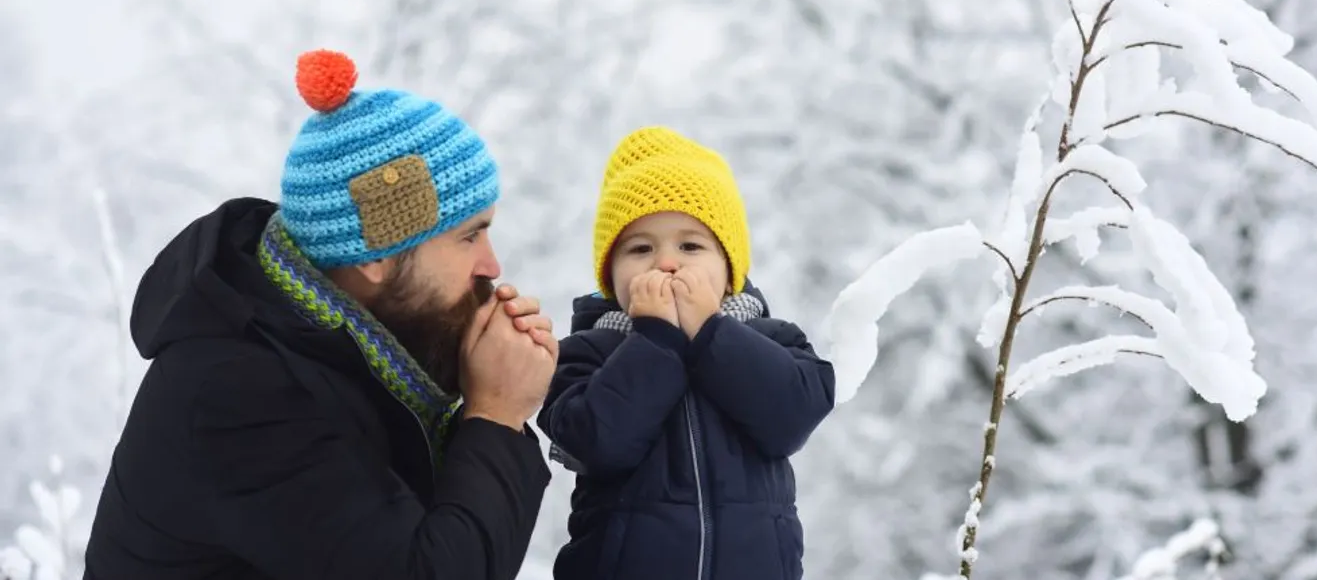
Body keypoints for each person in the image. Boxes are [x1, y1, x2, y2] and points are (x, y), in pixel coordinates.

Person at [84, 49, 558, 580]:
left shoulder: (334, 354)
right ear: (378, 256)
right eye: (469, 236)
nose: (491, 265)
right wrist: (494, 415)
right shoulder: (241, 393)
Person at [538, 126, 836, 580]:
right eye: (640, 249)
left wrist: (712, 334)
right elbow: (597, 444)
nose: (666, 262)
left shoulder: (773, 339)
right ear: (610, 275)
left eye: (690, 246)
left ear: (729, 269)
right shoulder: (589, 353)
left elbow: (793, 416)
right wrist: (655, 341)